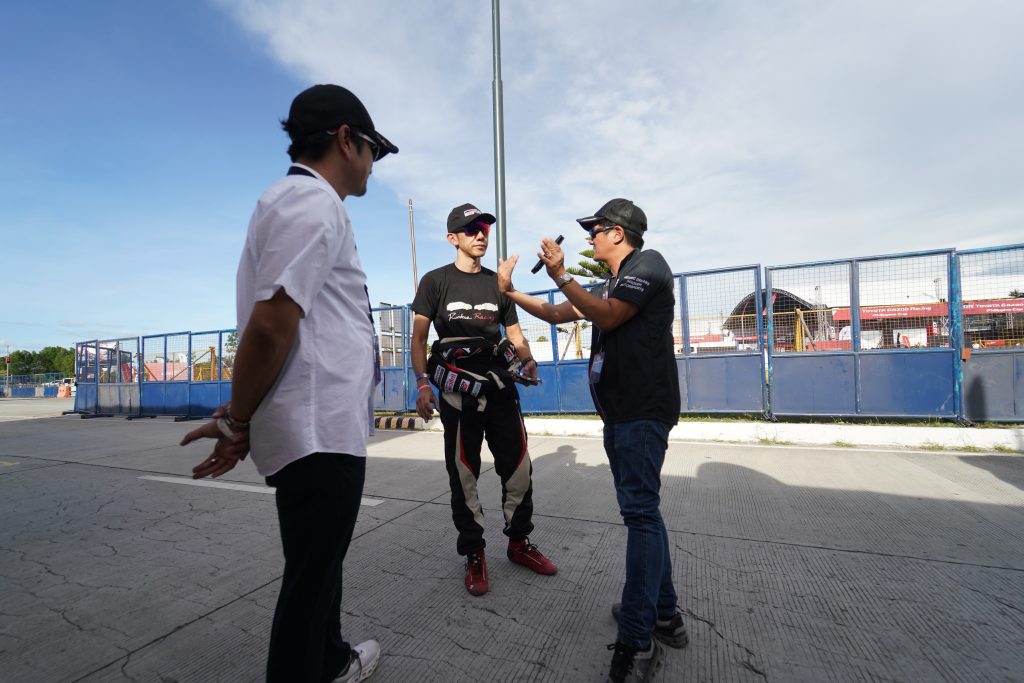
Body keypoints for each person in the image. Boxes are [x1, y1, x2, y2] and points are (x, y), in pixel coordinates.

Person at [179, 84, 398, 683]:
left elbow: (292, 330)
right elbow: (271, 326)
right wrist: (237, 420)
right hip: (318, 434)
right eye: (374, 149)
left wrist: (244, 417)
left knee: (318, 569)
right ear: (346, 140)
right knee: (309, 582)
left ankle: (331, 661)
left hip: (318, 427)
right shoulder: (311, 201)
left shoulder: (301, 202)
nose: (374, 164)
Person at [496, 199, 688, 683]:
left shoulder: (649, 266)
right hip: (621, 411)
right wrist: (511, 293)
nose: (590, 237)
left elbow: (608, 317)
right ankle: (664, 614)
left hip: (642, 410)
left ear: (619, 233)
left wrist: (562, 274)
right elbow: (557, 313)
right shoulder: (611, 283)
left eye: (597, 229)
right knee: (644, 512)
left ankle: (638, 637)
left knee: (640, 514)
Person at [410, 203, 558, 597]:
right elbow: (419, 339)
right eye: (471, 228)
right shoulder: (434, 282)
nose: (480, 234)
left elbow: (515, 335)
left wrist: (528, 361)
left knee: (519, 468)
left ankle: (519, 542)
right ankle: (474, 553)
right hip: (457, 392)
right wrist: (423, 384)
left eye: (485, 228)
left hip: (500, 388)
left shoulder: (498, 283)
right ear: (452, 238)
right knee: (464, 474)